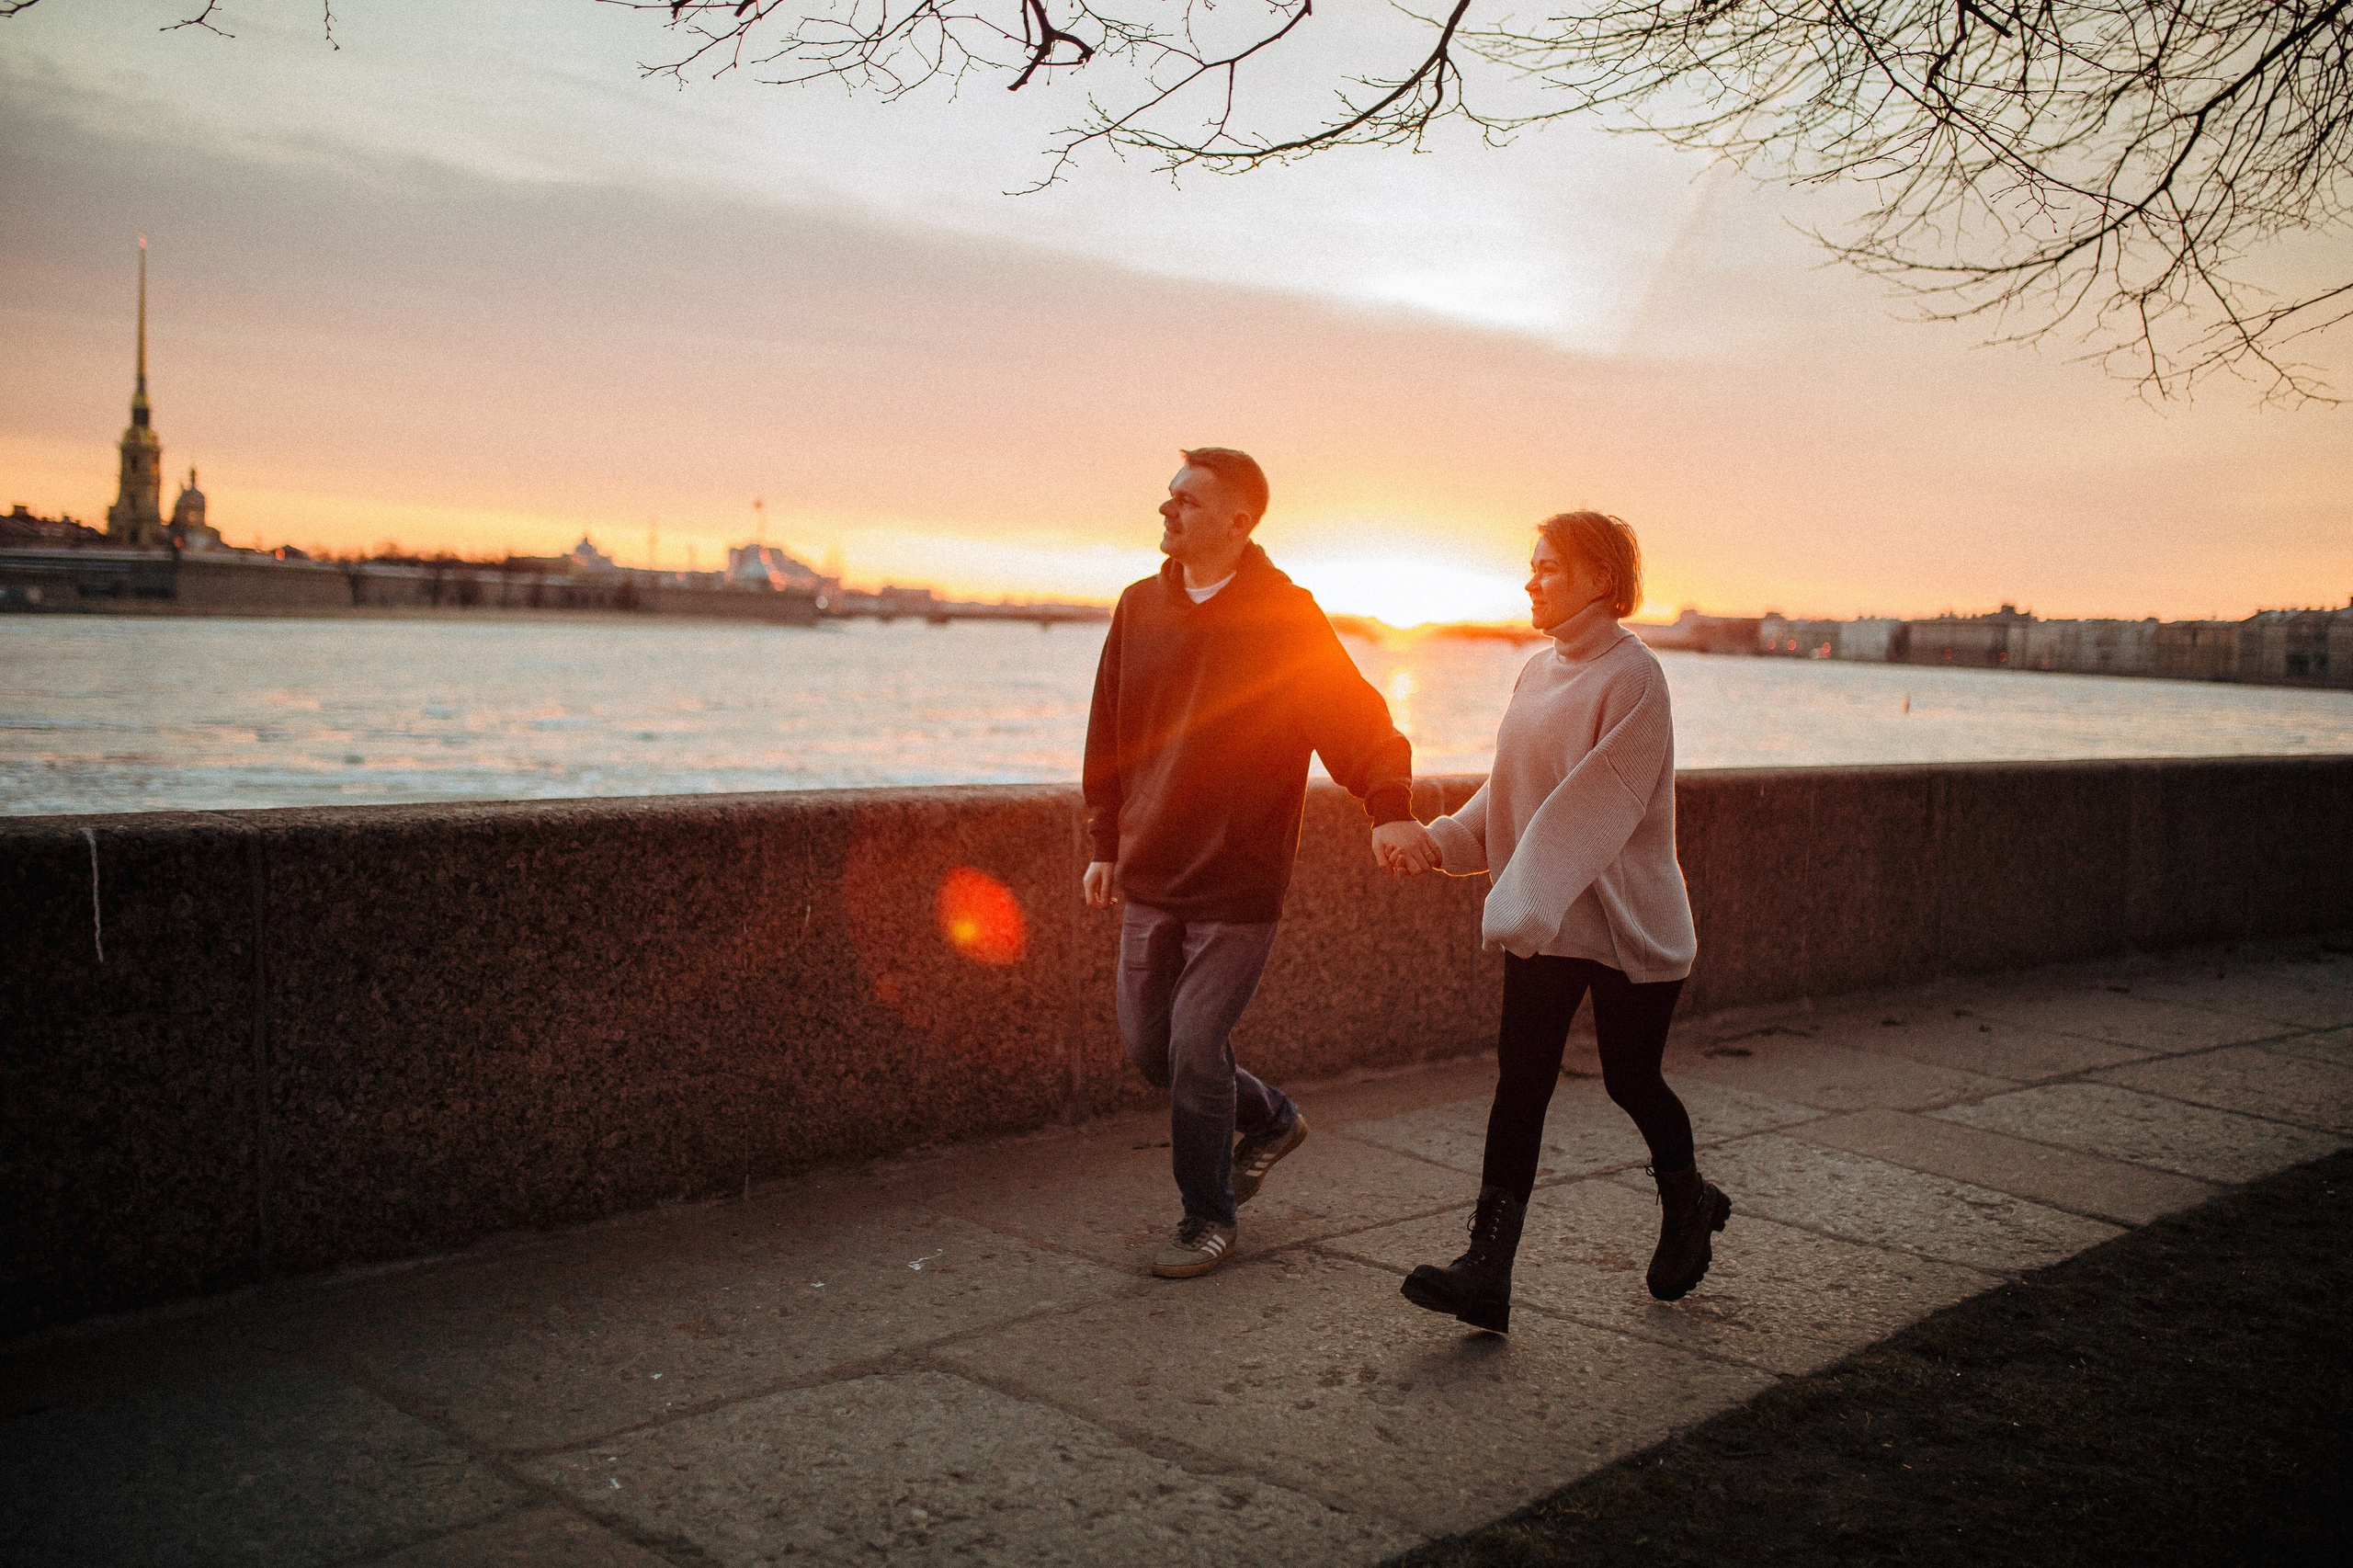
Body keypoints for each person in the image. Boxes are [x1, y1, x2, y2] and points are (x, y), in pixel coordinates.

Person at [1084, 448, 1428, 1279]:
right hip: (1148, 869)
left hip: (1239, 879)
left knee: (1198, 1046)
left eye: (1188, 503)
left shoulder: (1284, 615)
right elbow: (1109, 734)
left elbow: (1357, 722)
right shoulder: (1138, 607)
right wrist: (1103, 843)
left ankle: (1208, 1217)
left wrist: (1389, 810)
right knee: (1150, 1052)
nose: (1167, 512)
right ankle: (1272, 1120)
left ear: (1238, 521)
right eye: (1168, 499)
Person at [1378, 510, 1723, 1332]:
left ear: (1601, 580)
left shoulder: (1635, 678)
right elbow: (1512, 793)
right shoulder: (1536, 672)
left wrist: (1516, 905)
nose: (1529, 581)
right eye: (1529, 567)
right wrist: (1441, 842)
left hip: (1628, 922)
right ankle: (1486, 1272)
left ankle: (1690, 1200)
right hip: (1550, 922)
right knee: (1520, 1085)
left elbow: (1593, 809)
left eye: (1548, 568)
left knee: (1630, 1080)